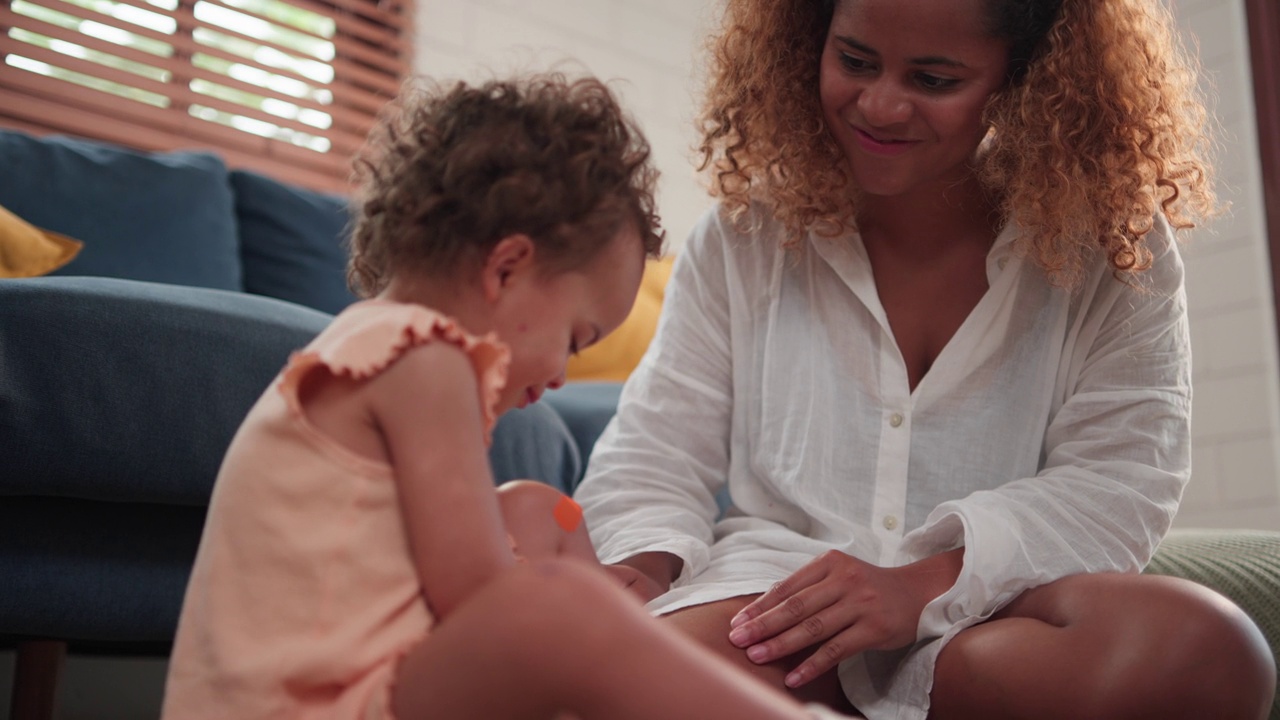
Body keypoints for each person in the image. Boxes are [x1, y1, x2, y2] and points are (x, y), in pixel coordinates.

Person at [576, 0, 1278, 718]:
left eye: (934, 80)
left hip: (993, 608)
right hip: (781, 602)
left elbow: (1121, 480)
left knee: (1215, 650)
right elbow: (657, 447)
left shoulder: (1113, 246)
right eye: (853, 60)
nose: (878, 104)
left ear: (1026, 80)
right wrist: (638, 566)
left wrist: (927, 584)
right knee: (605, 685)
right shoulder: (743, 237)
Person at [159, 72, 862, 720]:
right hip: (312, 705)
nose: (560, 375)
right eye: (575, 337)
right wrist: (572, 615)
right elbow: (479, 598)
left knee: (535, 505)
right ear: (508, 269)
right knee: (558, 607)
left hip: (341, 680)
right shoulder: (423, 360)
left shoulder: (372, 344)